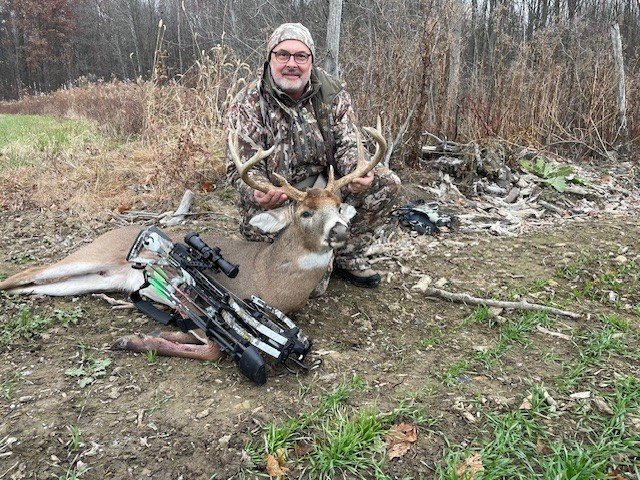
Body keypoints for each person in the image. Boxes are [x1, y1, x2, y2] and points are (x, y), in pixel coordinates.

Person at [225, 23, 400, 292]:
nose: (291, 63)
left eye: (301, 56)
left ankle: (346, 255)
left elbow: (347, 141)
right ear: (269, 58)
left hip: (325, 190)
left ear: (311, 61)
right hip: (282, 199)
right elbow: (238, 168)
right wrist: (257, 190)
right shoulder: (247, 102)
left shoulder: (332, 93)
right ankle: (320, 255)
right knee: (313, 288)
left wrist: (357, 170)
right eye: (283, 55)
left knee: (385, 183)